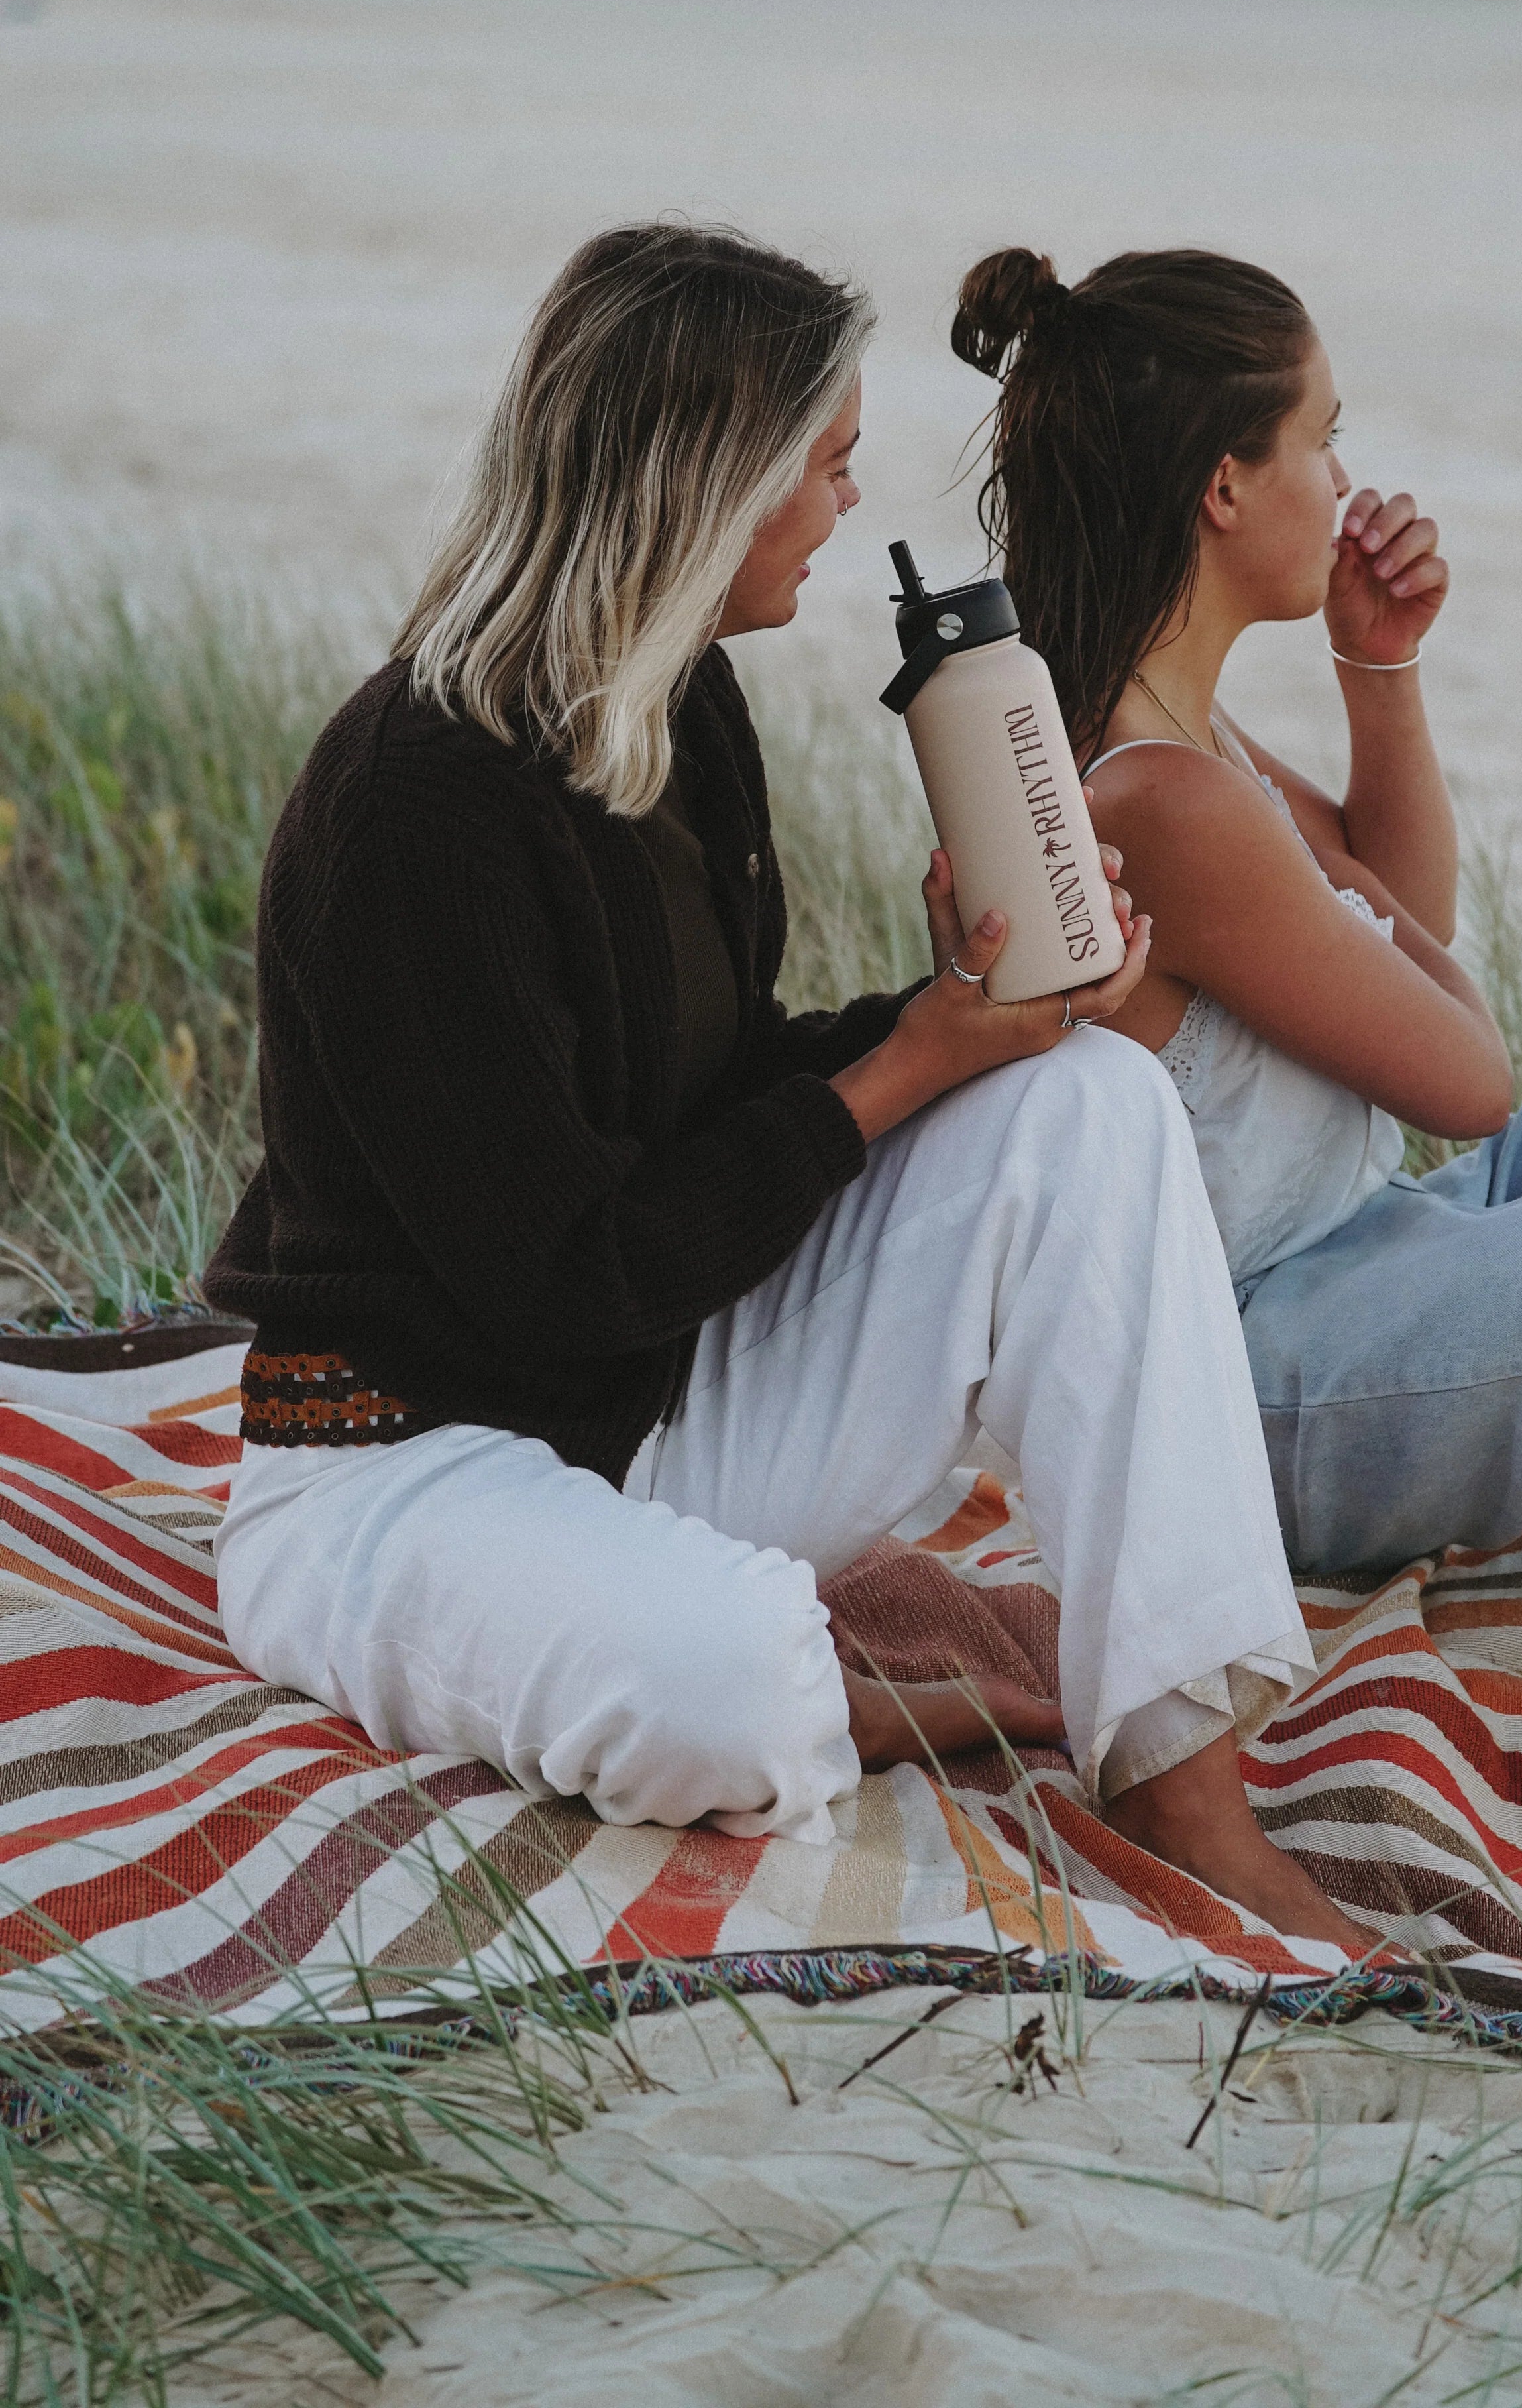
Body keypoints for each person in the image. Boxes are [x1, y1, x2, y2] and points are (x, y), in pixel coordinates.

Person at [205, 221, 1378, 1954]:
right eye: (823, 466)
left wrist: (968, 1008)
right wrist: (912, 1058)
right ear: (713, 480)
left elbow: (721, 1085)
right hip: (408, 1462)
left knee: (1093, 1100)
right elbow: (561, 1269)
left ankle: (1179, 1780)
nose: (846, 506)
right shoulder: (415, 808)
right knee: (740, 1687)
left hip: (652, 1400)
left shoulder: (682, 712)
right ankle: (895, 1667)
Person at [953, 241, 1522, 1809]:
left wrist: (1381, 672)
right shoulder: (1161, 795)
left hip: (1357, 1246)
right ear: (1227, 488)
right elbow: (1471, 1068)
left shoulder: (1177, 720)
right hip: (1247, 1372)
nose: (1345, 474)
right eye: (1322, 435)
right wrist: (1374, 921)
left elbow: (1398, 925)